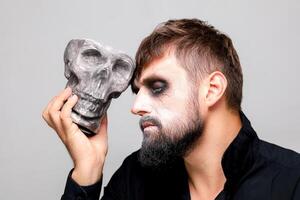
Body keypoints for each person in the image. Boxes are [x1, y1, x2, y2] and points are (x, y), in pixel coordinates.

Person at [42, 19, 300, 200]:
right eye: (137, 91)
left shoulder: (292, 182)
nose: (136, 107)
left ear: (212, 90)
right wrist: (87, 171)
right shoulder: (135, 178)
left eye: (157, 87)